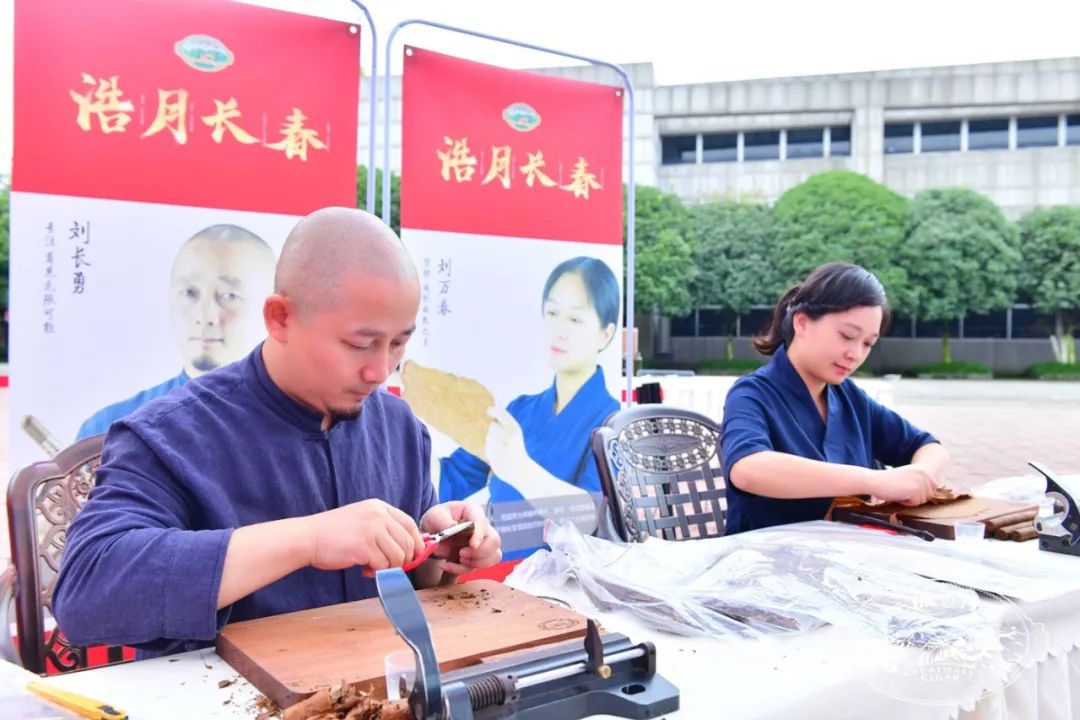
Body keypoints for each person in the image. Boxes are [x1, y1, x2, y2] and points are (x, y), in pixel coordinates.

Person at [53, 207, 502, 657]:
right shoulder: (169, 434)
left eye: (398, 343)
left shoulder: (398, 427)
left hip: (374, 680)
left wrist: (436, 550)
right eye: (360, 344)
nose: (380, 370)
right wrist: (309, 539)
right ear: (280, 318)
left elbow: (410, 587)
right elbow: (87, 592)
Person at [721, 262, 951, 534]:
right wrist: (874, 481)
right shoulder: (752, 394)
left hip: (848, 553)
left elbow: (928, 447)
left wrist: (920, 477)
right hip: (765, 555)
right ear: (802, 323)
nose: (856, 354)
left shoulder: (850, 398)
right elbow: (748, 469)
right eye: (847, 336)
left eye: (868, 343)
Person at [437, 256, 621, 558]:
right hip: (494, 575)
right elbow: (450, 480)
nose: (560, 330)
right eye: (552, 313)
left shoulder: (613, 424)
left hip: (563, 582)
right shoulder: (519, 411)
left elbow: (593, 519)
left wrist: (518, 467)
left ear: (606, 334)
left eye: (575, 319)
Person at [76, 224, 276, 440]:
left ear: (274, 309)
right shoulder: (109, 429)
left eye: (229, 296)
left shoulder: (294, 426)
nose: (204, 314)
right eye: (189, 292)